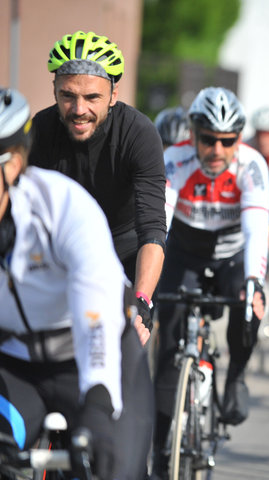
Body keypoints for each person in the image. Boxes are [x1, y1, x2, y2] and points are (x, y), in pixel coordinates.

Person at [0, 87, 153, 479]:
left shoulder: (63, 207)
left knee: (111, 465)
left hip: (96, 352)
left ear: (15, 163)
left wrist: (98, 403)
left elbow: (96, 314)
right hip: (16, 364)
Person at [154, 86, 269, 476]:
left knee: (249, 306)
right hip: (185, 250)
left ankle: (236, 375)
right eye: (208, 139)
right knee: (168, 342)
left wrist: (254, 280)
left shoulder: (251, 165)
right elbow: (159, 223)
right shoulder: (174, 159)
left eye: (227, 141)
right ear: (193, 134)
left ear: (239, 138)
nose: (217, 150)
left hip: (233, 253)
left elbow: (257, 229)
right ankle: (160, 448)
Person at [28, 30, 166, 340]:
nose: (78, 110)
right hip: (63, 252)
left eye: (92, 97)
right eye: (68, 95)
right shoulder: (40, 131)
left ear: (113, 95)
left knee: (128, 345)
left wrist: (142, 303)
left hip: (124, 253)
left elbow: (153, 232)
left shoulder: (138, 134)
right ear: (54, 91)